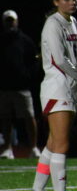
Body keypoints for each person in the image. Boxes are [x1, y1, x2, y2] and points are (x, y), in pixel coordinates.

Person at [25, 0, 77, 191]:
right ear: (55, 1)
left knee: (53, 144)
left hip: (69, 88)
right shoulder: (52, 24)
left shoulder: (72, 22)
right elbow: (59, 60)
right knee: (61, 144)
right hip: (56, 88)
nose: (73, 2)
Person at [0, 10, 41, 159]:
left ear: (16, 22)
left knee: (29, 117)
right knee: (6, 118)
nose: (10, 23)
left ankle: (34, 147)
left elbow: (34, 61)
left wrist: (27, 76)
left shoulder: (25, 41)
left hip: (22, 87)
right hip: (4, 88)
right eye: (7, 21)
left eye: (12, 21)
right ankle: (7, 148)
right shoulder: (1, 40)